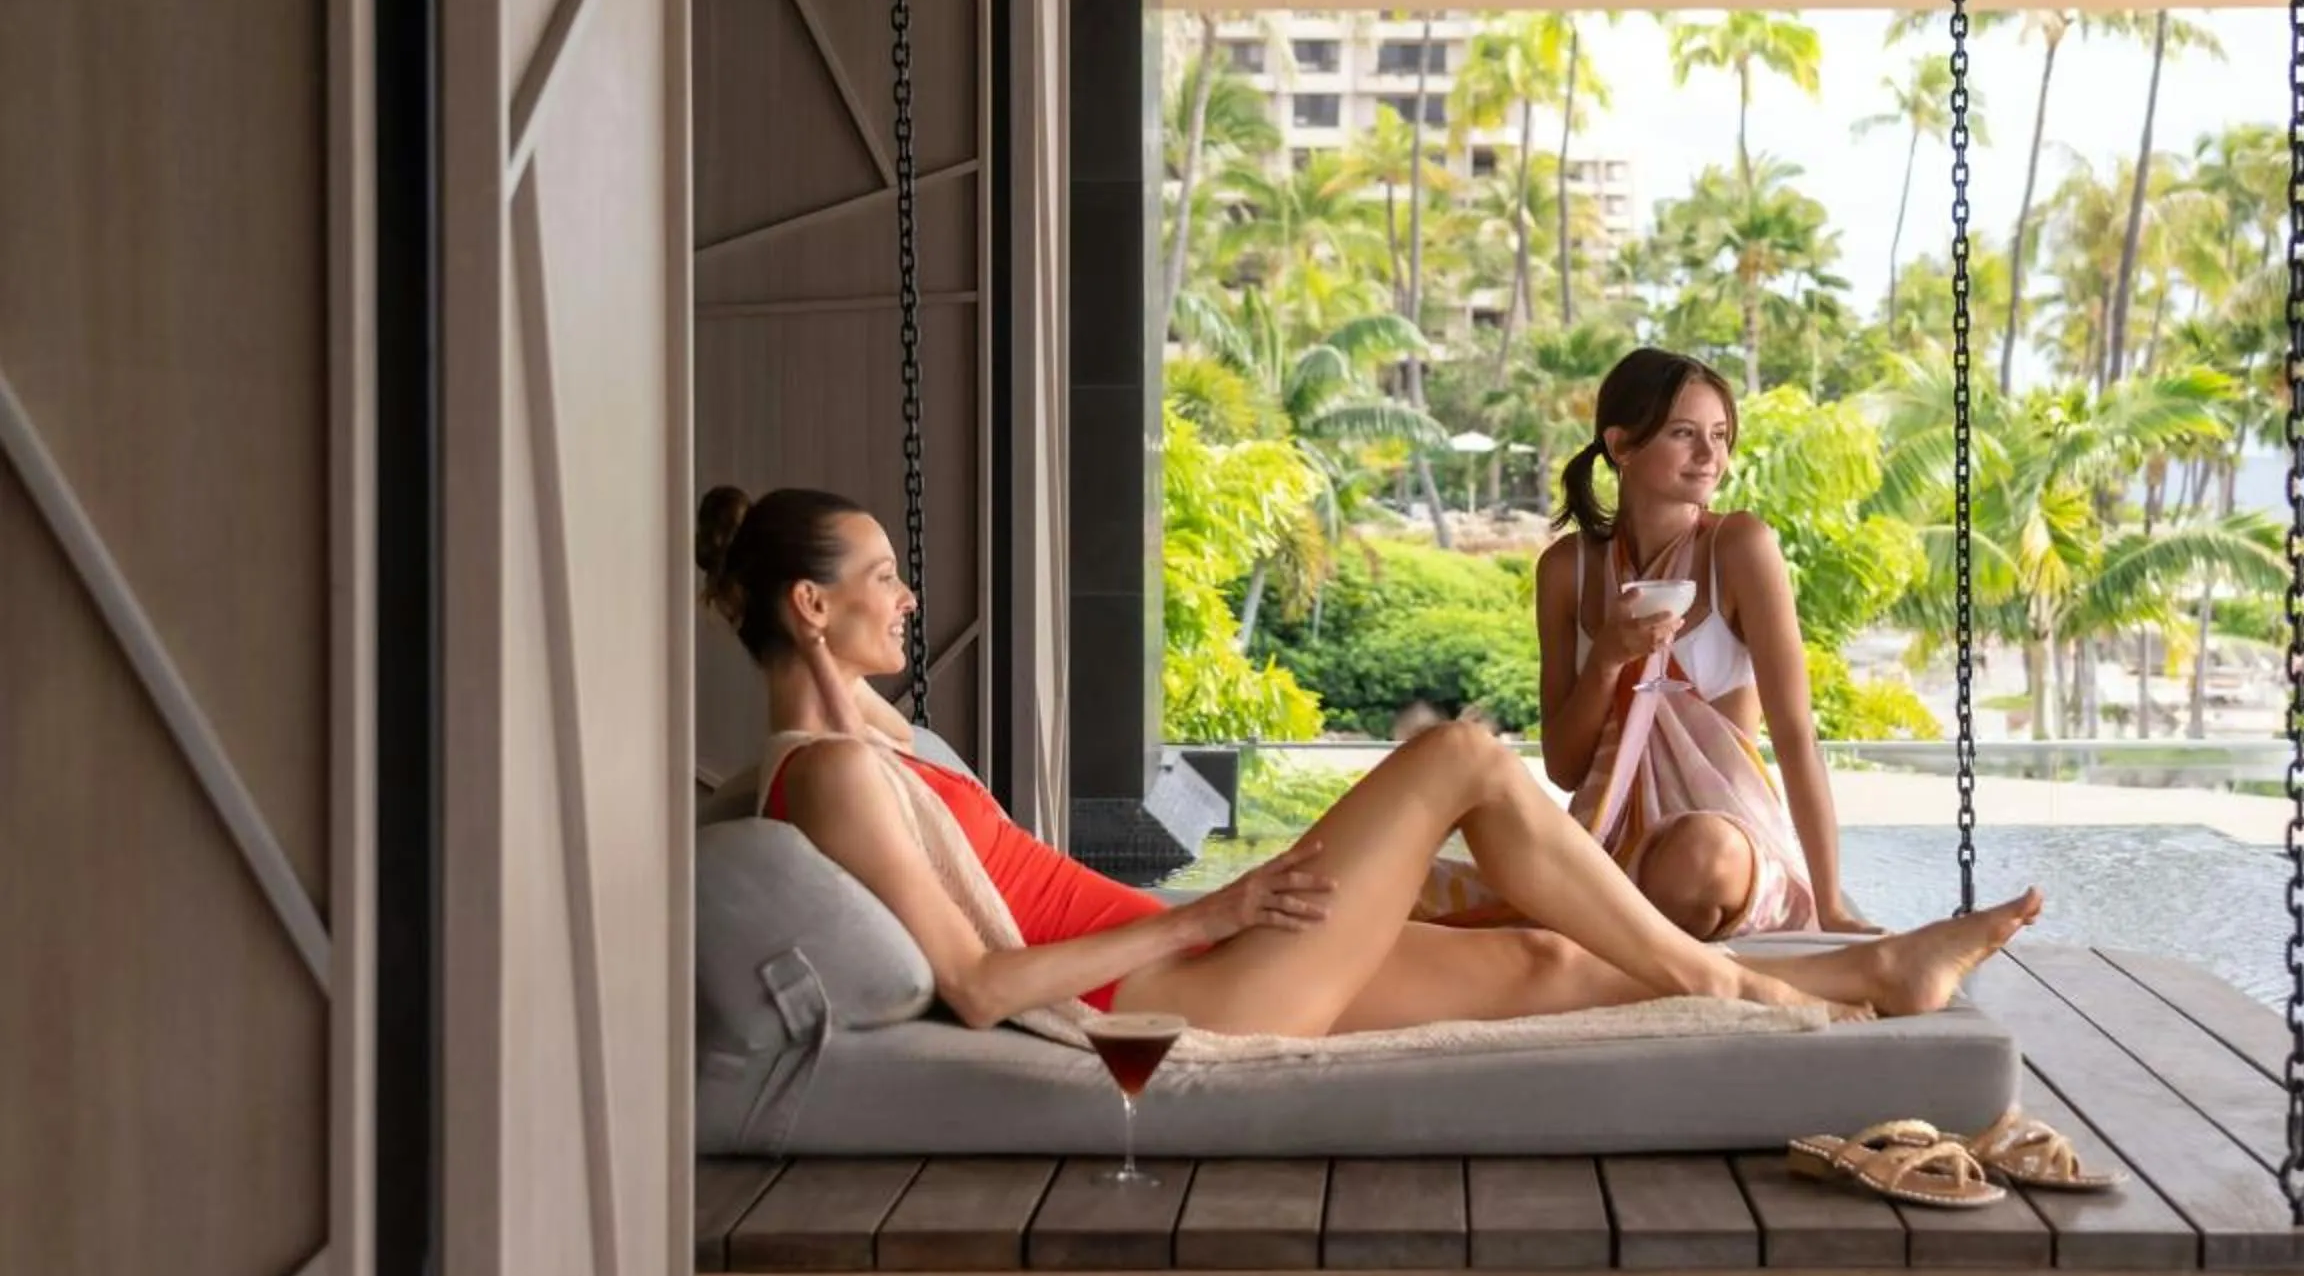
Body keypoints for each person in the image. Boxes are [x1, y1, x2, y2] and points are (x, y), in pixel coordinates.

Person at [697, 485, 2043, 1039]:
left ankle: (1878, 974)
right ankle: (1735, 984)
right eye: (881, 577)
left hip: (1193, 954)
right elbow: (983, 986)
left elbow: (793, 723)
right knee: (1460, 755)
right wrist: (1217, 910)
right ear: (813, 608)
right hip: (1177, 992)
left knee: (1550, 959)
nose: (908, 596)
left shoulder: (860, 738)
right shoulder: (834, 774)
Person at [1419, 349, 1867, 941]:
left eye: (1719, 435)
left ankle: (1594, 930)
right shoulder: (1568, 570)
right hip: (1608, 846)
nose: (1710, 455)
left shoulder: (1739, 547)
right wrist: (1607, 659)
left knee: (1697, 855)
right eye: (1684, 434)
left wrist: (1830, 904)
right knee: (1411, 878)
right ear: (1621, 445)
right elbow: (1565, 768)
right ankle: (1600, 921)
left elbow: (1796, 735)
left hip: (1725, 846)